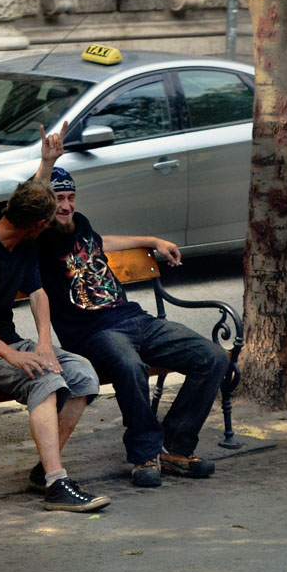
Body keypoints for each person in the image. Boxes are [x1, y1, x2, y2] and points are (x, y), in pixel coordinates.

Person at [0, 124, 110, 513]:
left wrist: (43, 343)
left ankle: (43, 468)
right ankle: (57, 483)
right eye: (45, 223)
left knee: (81, 374)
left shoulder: (24, 241)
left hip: (7, 343)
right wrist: (15, 357)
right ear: (35, 226)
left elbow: (38, 292)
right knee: (43, 378)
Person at [35, 161, 230, 488]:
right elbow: (29, 207)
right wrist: (47, 162)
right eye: (58, 199)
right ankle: (144, 453)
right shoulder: (40, 239)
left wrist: (153, 240)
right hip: (94, 332)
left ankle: (173, 448)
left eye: (70, 197)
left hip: (134, 318)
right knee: (130, 365)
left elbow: (103, 242)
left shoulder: (79, 224)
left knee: (213, 357)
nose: (66, 206)